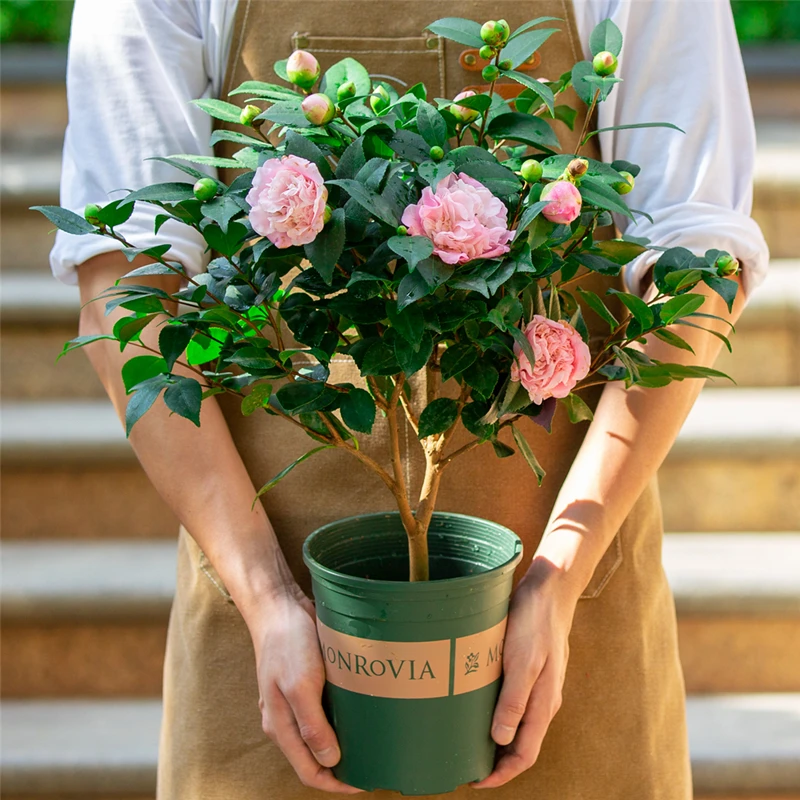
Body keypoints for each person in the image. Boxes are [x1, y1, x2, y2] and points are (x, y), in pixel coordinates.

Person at [52, 1, 769, 798]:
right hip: (282, 644)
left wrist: (558, 580)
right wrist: (267, 598)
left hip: (568, 615)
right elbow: (127, 287)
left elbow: (696, 268)